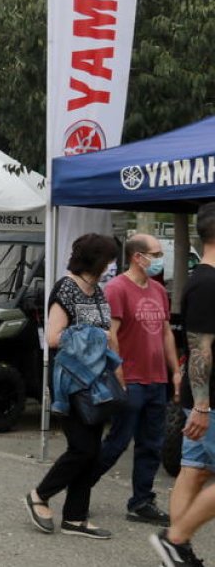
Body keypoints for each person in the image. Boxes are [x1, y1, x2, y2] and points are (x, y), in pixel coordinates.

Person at [25, 232, 119, 540]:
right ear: (93, 259)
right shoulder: (65, 289)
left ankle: (76, 518)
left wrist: (119, 371)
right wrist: (96, 337)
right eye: (106, 260)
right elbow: (54, 337)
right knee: (82, 448)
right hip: (73, 381)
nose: (109, 266)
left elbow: (108, 331)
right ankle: (39, 494)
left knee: (90, 451)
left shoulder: (96, 290)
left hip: (97, 381)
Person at [93, 233, 179, 525]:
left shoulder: (157, 289)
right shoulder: (116, 289)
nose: (159, 259)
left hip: (156, 379)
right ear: (137, 257)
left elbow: (165, 333)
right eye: (155, 253)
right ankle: (79, 487)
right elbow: (111, 335)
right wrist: (118, 374)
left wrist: (175, 372)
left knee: (151, 444)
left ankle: (141, 501)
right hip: (130, 379)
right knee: (117, 442)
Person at [153, 205, 215, 566]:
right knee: (196, 471)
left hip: (203, 398)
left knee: (194, 471)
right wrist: (203, 406)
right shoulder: (207, 283)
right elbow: (200, 348)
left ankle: (176, 553)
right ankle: (175, 541)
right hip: (210, 400)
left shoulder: (204, 279)